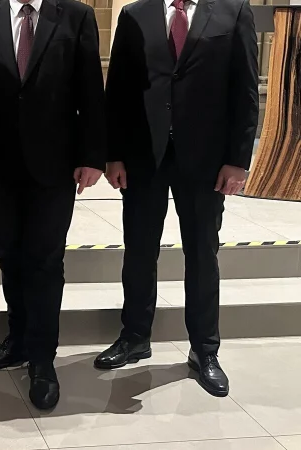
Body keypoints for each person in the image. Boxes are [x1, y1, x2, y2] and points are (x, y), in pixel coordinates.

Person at [95, 0, 259, 397]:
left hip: (205, 161)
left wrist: (237, 161)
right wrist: (113, 153)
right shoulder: (135, 14)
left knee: (202, 253)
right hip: (142, 157)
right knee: (138, 251)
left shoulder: (233, 11)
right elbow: (118, 89)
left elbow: (245, 87)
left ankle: (204, 350)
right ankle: (134, 336)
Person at [0, 0, 107, 409]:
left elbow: (90, 90)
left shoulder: (76, 16)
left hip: (55, 164)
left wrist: (92, 154)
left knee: (45, 260)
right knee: (9, 254)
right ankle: (18, 340)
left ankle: (43, 360)